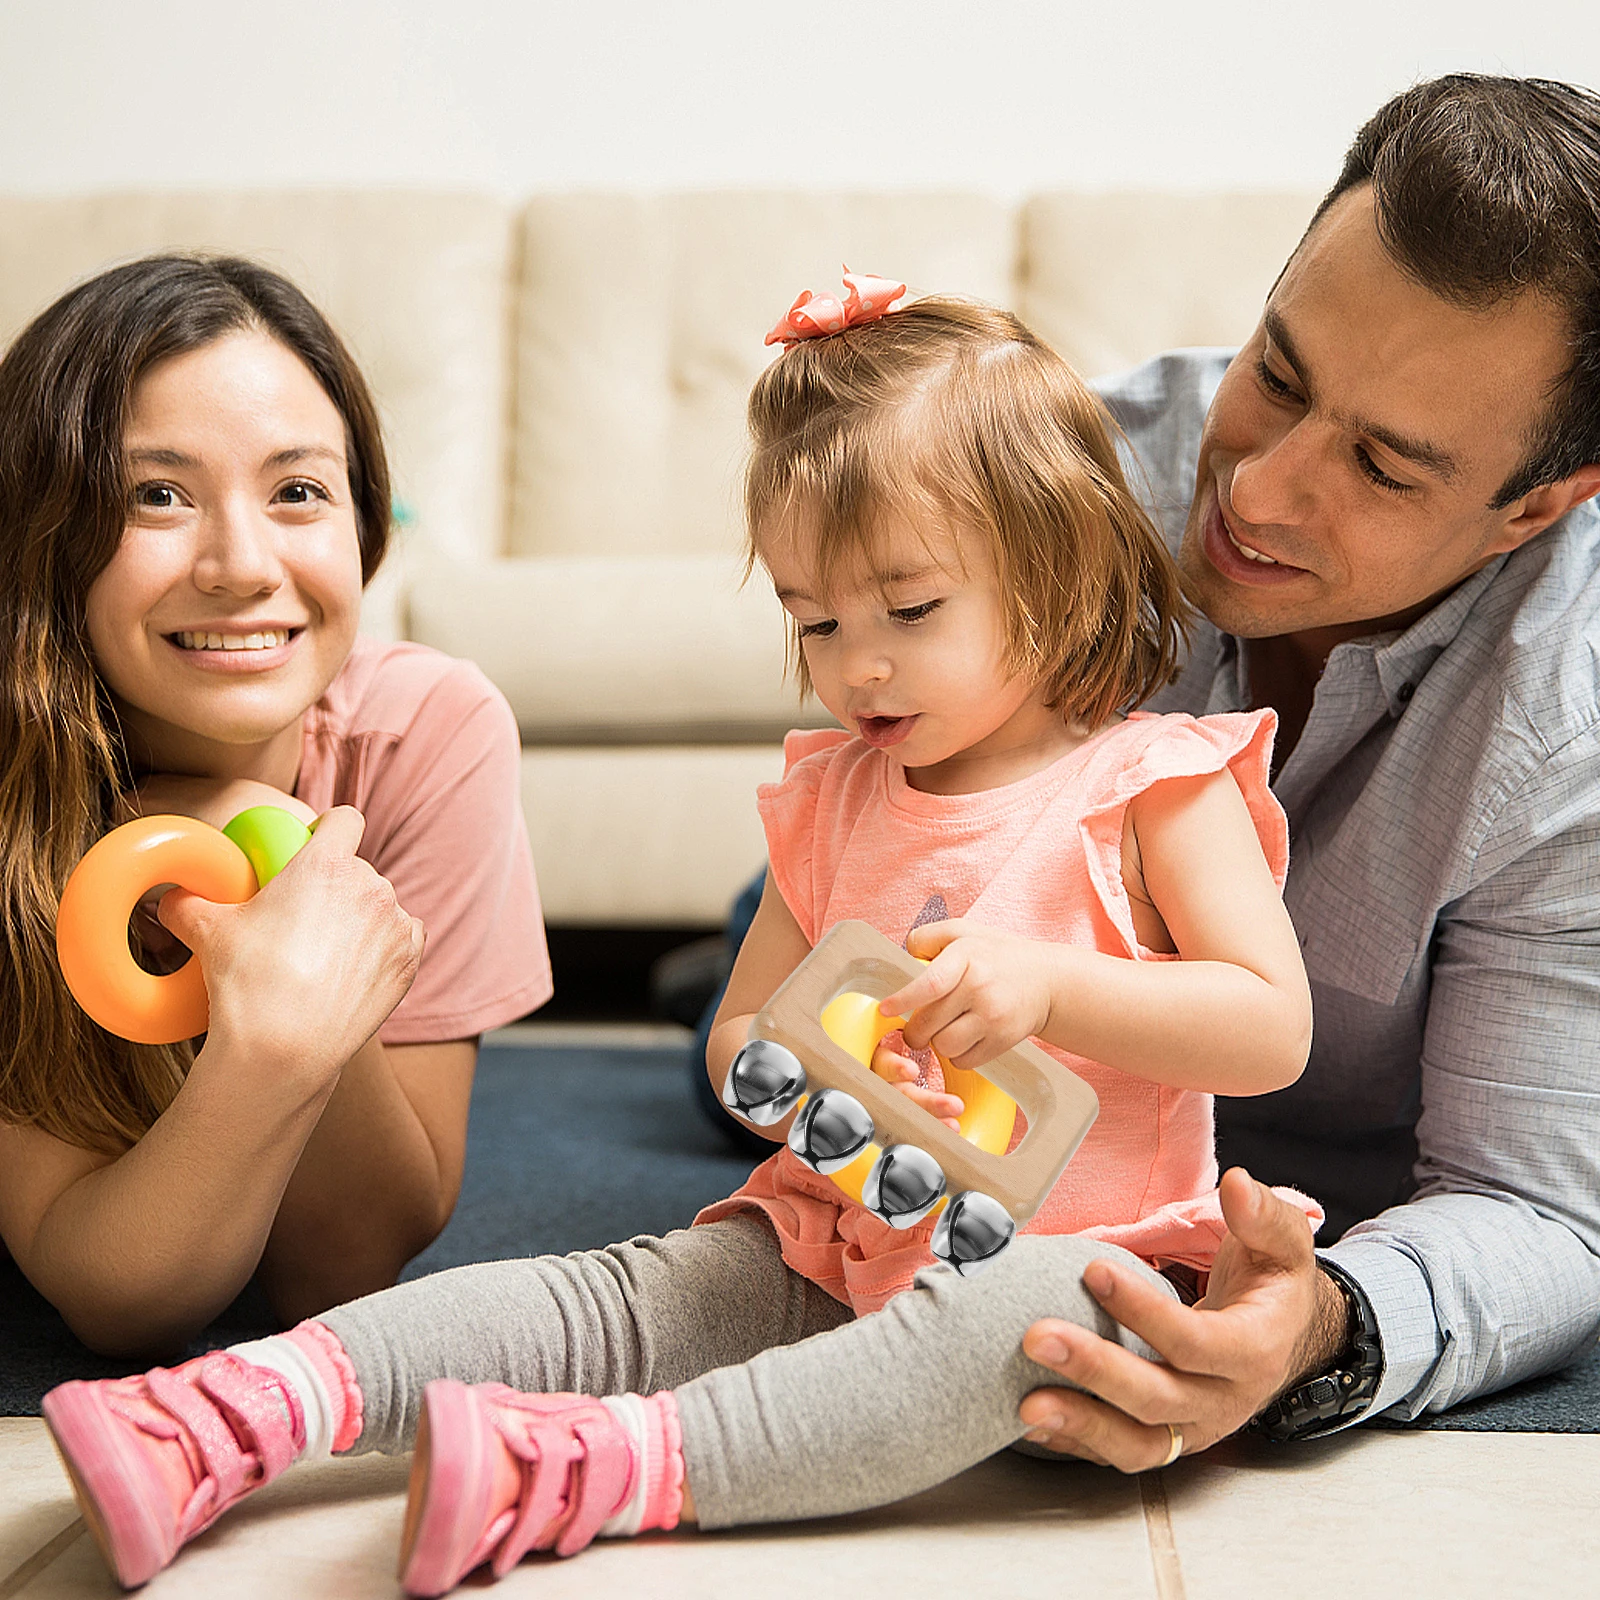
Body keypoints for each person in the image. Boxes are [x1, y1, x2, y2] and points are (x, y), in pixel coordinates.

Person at [42, 280, 1319, 1595]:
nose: (855, 665)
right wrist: (800, 1081)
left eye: (908, 613)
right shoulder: (832, 797)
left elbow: (1270, 1028)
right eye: (814, 619)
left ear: (1054, 571)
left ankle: (607, 1464)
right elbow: (741, 1036)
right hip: (842, 1235)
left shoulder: (1157, 783)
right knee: (631, 1291)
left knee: (1033, 1317)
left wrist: (1055, 987)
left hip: (1083, 1266)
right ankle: (233, 1409)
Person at [1008, 72, 1600, 1469]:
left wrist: (1325, 1320)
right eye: (1275, 373)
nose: (1258, 489)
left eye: (1383, 469)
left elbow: (1541, 1213)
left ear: (1537, 508)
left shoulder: (1574, 732)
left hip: (1314, 1154)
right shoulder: (1048, 484)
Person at [0, 255, 551, 1358]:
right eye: (155, 494)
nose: (243, 565)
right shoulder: (23, 776)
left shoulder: (427, 730)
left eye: (298, 490)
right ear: (45, 535)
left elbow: (343, 1269)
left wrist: (283, 885)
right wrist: (269, 1042)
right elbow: (114, 1293)